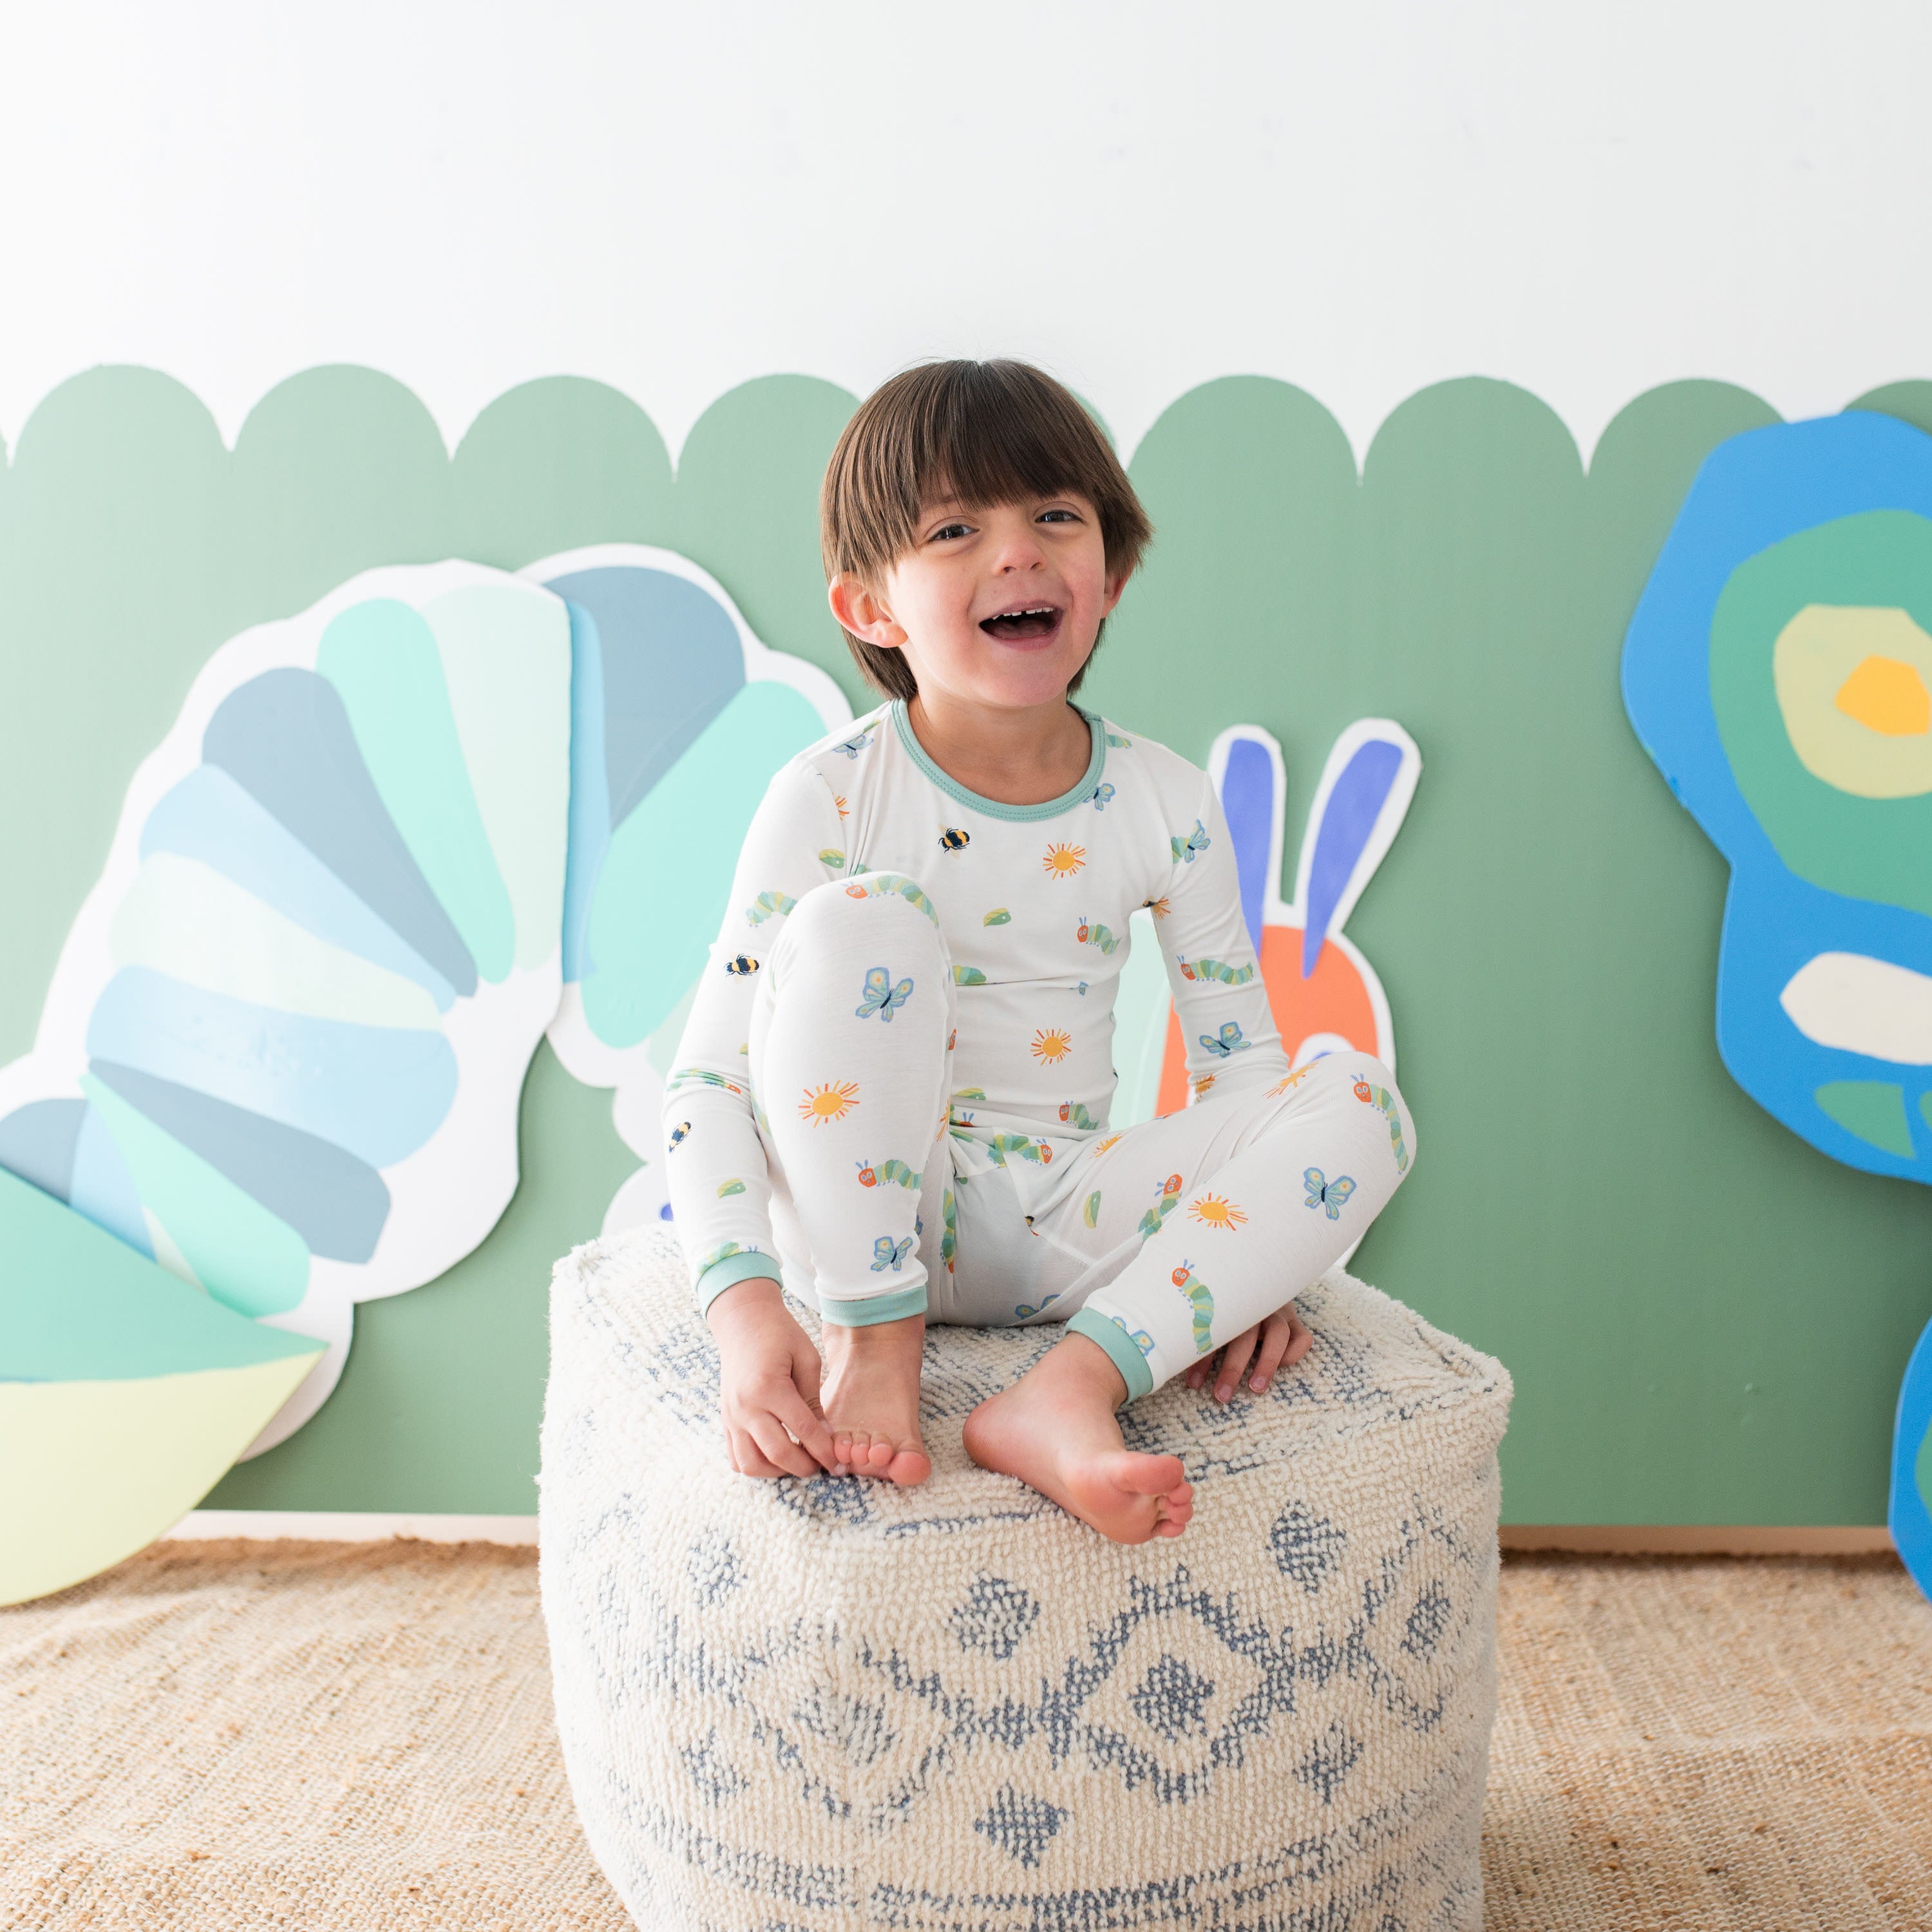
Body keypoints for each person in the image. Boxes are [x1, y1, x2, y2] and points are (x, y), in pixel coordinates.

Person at [663, 359, 1415, 1544]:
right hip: (870, 1215)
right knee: (866, 922)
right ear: (871, 609)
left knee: (1359, 1100)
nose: (1016, 553)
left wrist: (1258, 1264)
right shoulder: (831, 795)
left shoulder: (1164, 797)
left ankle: (1066, 1393)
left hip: (1065, 1219)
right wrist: (750, 1314)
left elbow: (1241, 1073)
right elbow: (708, 1081)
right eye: (956, 529)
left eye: (1054, 517)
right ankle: (879, 1336)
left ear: (1109, 575)